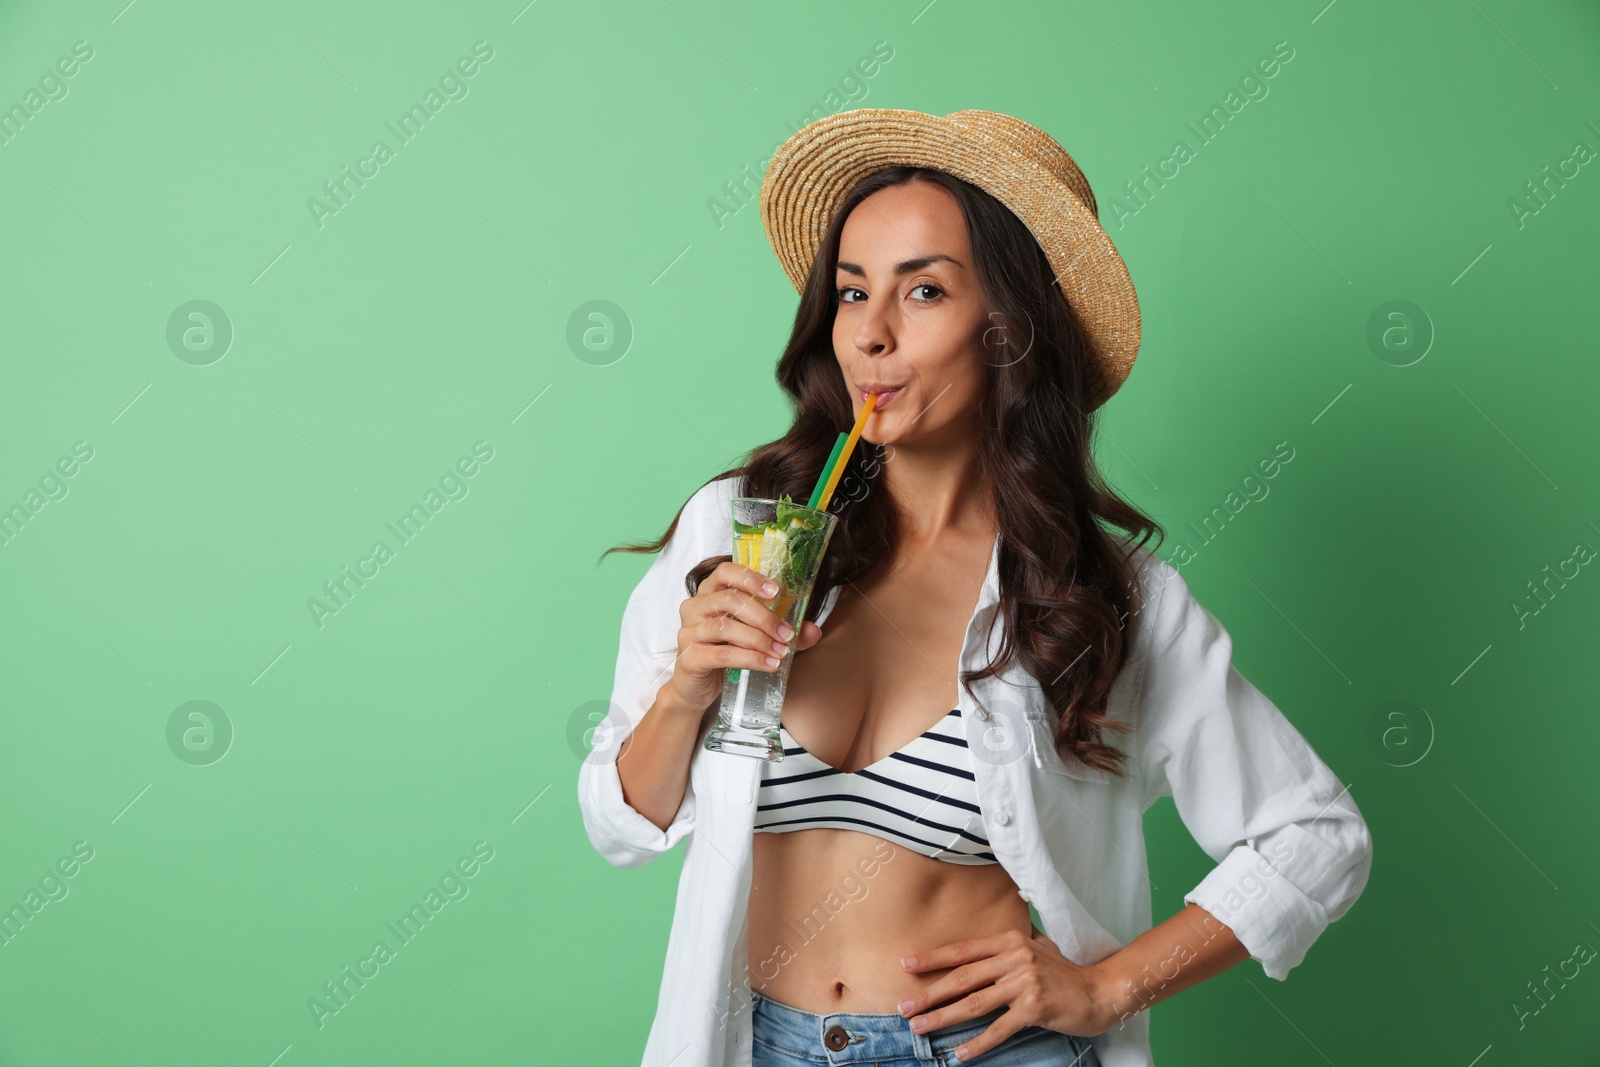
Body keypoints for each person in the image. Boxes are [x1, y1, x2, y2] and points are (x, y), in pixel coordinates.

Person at [580, 108, 1373, 1067]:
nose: (869, 335)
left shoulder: (1101, 595)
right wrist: (688, 689)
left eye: (923, 291)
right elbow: (620, 821)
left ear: (1009, 329)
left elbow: (1317, 837)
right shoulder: (743, 531)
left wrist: (1106, 984)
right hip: (759, 1042)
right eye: (851, 290)